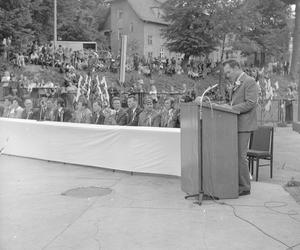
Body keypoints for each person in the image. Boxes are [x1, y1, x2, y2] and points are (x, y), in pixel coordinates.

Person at [222, 59, 259, 196]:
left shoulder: (249, 81)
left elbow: (250, 103)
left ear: (237, 67)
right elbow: (233, 102)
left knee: (240, 156)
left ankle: (244, 187)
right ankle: (236, 183)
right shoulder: (234, 83)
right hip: (234, 123)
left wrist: (231, 108)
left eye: (229, 72)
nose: (227, 75)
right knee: (235, 155)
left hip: (244, 124)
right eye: (225, 73)